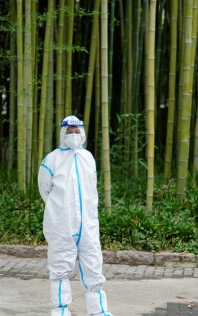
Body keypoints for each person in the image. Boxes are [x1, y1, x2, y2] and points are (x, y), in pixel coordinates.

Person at [38, 115, 113, 316]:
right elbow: (44, 189)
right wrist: (59, 210)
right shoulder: (51, 159)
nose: (73, 134)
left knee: (93, 264)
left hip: (88, 223)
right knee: (60, 265)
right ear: (63, 133)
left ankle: (99, 310)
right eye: (69, 131)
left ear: (82, 132)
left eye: (76, 130)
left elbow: (93, 189)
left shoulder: (88, 158)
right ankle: (61, 310)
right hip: (61, 223)